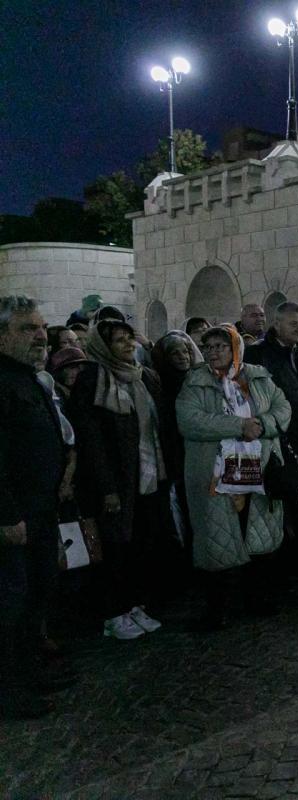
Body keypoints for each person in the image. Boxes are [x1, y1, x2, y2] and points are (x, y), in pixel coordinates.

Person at [179, 325, 291, 629]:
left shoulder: (258, 376)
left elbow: (282, 407)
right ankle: (217, 608)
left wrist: (263, 424)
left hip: (258, 462)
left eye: (220, 346)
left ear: (235, 348)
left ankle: (256, 597)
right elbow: (190, 420)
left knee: (256, 532)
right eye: (209, 346)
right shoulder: (196, 381)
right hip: (216, 469)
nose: (213, 352)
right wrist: (237, 426)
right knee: (219, 537)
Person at [67, 318, 171, 641]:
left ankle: (133, 603)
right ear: (102, 346)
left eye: (130, 339)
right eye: (118, 341)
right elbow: (90, 438)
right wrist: (107, 487)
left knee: (140, 543)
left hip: (147, 477)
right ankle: (112, 612)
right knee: (114, 548)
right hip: (114, 483)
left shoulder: (143, 378)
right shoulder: (93, 379)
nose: (128, 345)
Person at [0, 296, 71, 719]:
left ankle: (29, 674)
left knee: (33, 599)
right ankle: (8, 692)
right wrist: (6, 517)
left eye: (42, 326)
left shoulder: (27, 377)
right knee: (9, 607)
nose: (41, 335)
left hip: (40, 512)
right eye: (28, 328)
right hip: (15, 518)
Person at [244, 302, 298, 582]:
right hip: (278, 444)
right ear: (277, 324)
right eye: (293, 323)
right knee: (277, 507)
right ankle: (274, 568)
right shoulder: (259, 355)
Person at [150, 331, 203, 553]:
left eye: (186, 351)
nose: (183, 357)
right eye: (175, 353)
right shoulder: (162, 386)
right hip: (180, 458)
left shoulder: (197, 380)